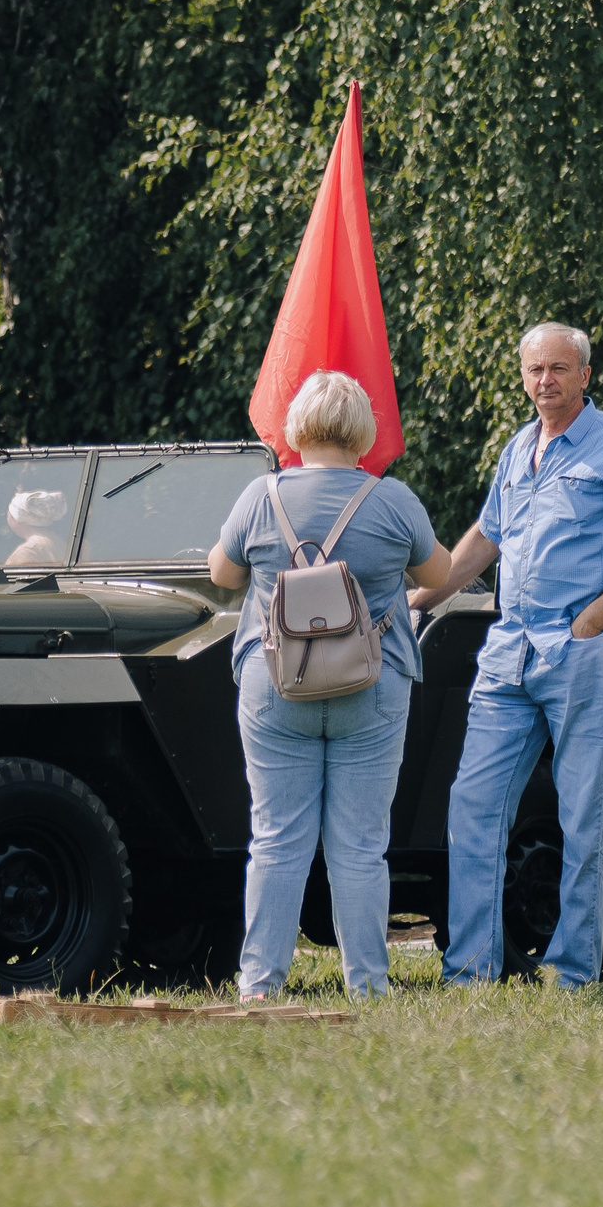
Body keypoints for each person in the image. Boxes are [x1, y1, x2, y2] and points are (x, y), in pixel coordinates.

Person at [408, 322, 603, 990]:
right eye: (535, 369)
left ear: (584, 375)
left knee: (581, 815)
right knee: (473, 804)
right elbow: (482, 541)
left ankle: (573, 972)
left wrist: (592, 622)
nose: (546, 381)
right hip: (509, 649)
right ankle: (470, 968)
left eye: (560, 368)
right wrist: (416, 598)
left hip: (585, 652)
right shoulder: (517, 449)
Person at [208, 372, 452, 999]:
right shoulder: (394, 501)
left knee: (277, 838)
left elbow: (222, 574)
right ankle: (368, 985)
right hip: (370, 686)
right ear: (362, 432)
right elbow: (440, 571)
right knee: (362, 844)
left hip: (275, 685)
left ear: (297, 427)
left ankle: (260, 983)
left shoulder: (260, 496)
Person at [3, 490, 72, 568]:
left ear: (18, 519)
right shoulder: (60, 542)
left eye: (9, 513)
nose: (7, 516)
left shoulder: (26, 552)